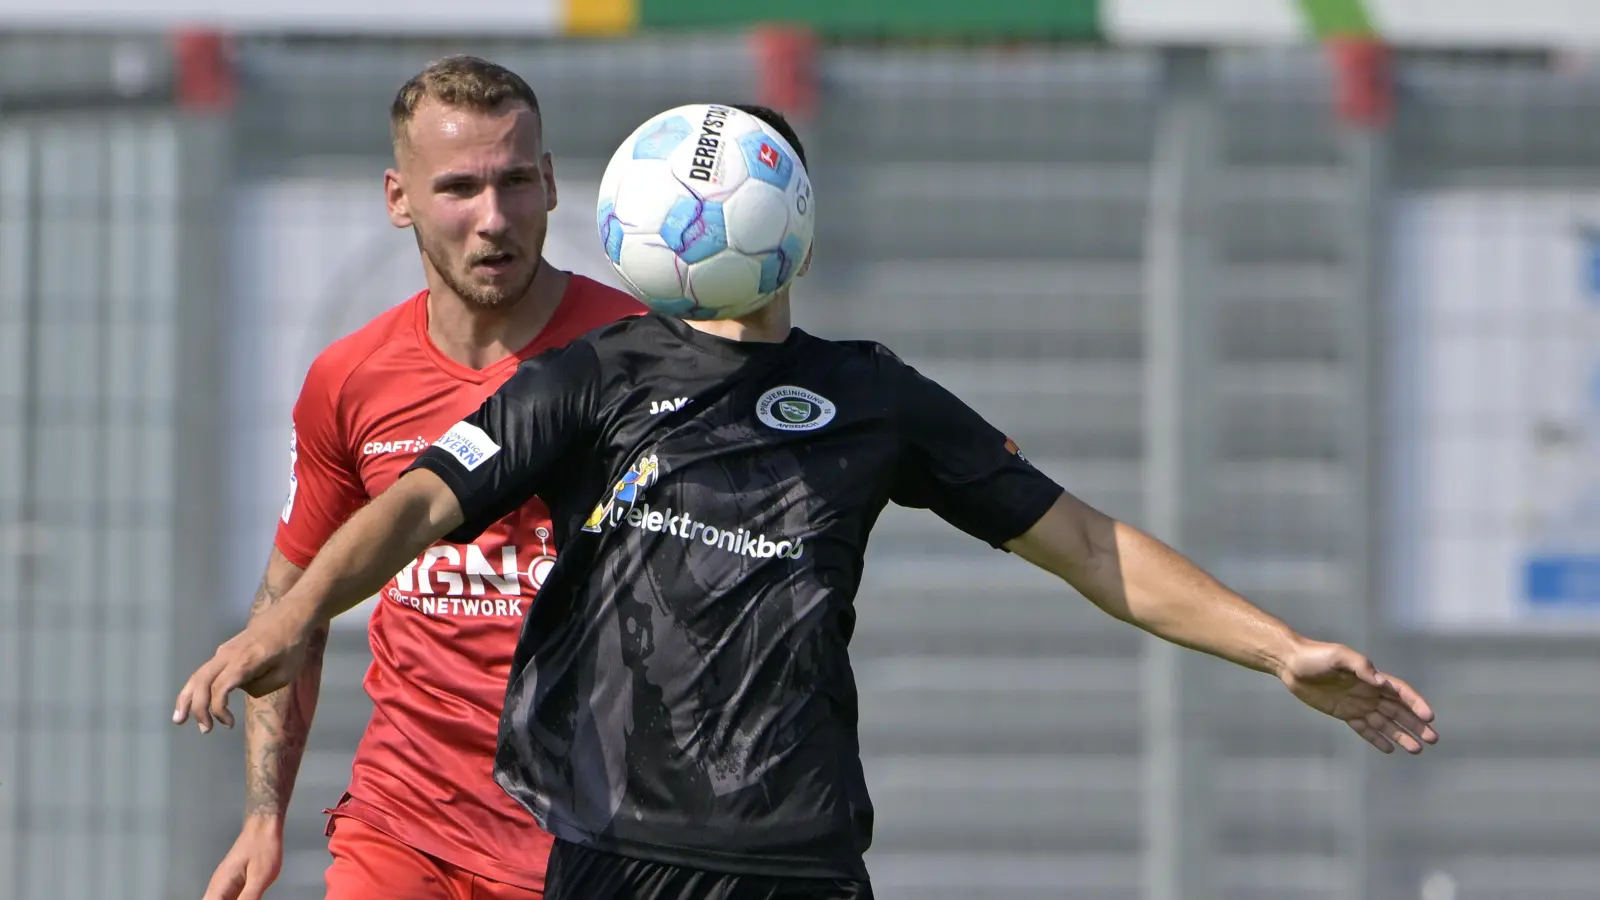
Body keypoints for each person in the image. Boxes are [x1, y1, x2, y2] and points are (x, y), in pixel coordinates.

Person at [177, 105, 1438, 900]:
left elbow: (1089, 545)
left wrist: (1280, 648)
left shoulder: (873, 398)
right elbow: (419, 505)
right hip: (613, 849)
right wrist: (294, 621)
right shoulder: (593, 375)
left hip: (800, 854)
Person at [192, 55, 644, 900]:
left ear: (550, 183)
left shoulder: (640, 359)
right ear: (399, 199)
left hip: (587, 843)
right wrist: (264, 817)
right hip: (403, 826)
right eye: (459, 188)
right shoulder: (352, 379)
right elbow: (296, 608)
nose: (493, 219)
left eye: (515, 181)